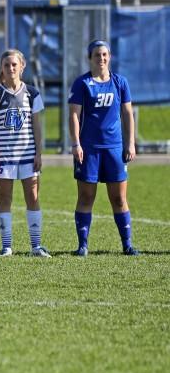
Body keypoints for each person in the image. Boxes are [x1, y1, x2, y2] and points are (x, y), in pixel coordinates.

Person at [68, 40, 138, 256]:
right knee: (86, 197)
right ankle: (83, 245)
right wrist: (76, 143)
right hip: (89, 149)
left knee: (118, 198)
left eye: (105, 54)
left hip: (114, 149)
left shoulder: (120, 82)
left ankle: (127, 244)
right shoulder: (81, 83)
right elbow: (74, 115)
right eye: (97, 55)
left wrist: (130, 142)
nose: (102, 58)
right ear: (89, 58)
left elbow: (127, 114)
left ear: (110, 57)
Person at [0, 49, 50, 258]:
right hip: (5, 158)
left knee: (33, 198)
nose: (10, 69)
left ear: (22, 66)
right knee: (5, 199)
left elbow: (37, 126)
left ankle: (36, 246)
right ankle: (6, 247)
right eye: (6, 65)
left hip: (28, 156)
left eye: (14, 65)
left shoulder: (32, 93)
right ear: (1, 69)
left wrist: (39, 153)